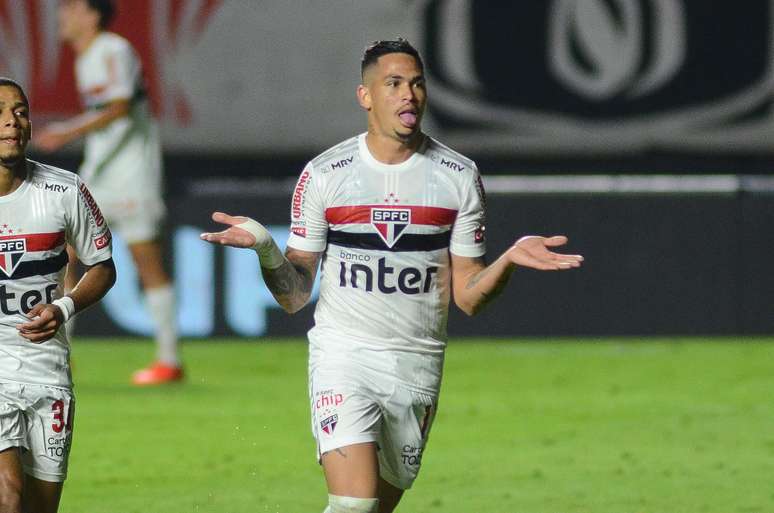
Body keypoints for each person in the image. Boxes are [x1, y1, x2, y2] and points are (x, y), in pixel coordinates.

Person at [201, 39, 584, 513]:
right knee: (353, 505)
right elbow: (295, 294)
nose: (409, 94)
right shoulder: (326, 174)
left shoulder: (457, 176)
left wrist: (506, 260)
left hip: (417, 364)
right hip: (344, 355)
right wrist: (265, 247)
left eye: (417, 83)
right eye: (394, 84)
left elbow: (468, 296)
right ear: (366, 96)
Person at [35, 0, 182, 385]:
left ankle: (169, 359)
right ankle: (58, 350)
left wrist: (67, 131)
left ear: (92, 15)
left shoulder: (114, 50)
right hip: (99, 175)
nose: (62, 17)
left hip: (131, 175)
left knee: (144, 260)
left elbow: (119, 106)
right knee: (64, 256)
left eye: (70, 9)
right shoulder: (87, 59)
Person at [0, 77, 116, 513]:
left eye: (20, 111)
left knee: (38, 506)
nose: (11, 122)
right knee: (7, 494)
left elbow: (102, 267)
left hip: (47, 370)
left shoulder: (63, 191)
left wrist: (64, 307)